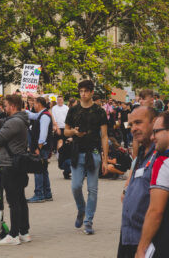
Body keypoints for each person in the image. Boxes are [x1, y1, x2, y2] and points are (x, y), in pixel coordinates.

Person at [0, 94, 31, 246]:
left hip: (11, 165)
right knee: (20, 199)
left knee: (13, 201)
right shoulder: (15, 120)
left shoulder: (15, 121)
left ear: (13, 106)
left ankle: (14, 235)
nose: (4, 108)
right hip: (15, 164)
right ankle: (24, 232)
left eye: (6, 105)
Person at [64, 79, 108, 235]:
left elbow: (104, 136)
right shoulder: (73, 110)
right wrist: (74, 133)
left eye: (86, 91)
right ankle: (81, 209)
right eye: (80, 91)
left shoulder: (99, 111)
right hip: (77, 153)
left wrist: (105, 159)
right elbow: (65, 132)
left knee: (92, 189)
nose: (83, 94)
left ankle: (88, 221)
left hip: (94, 153)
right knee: (75, 186)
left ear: (91, 92)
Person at [117, 105, 157, 257]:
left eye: (139, 122)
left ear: (154, 123)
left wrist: (142, 247)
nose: (133, 128)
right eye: (131, 124)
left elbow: (157, 209)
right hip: (129, 234)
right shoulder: (142, 151)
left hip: (146, 239)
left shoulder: (160, 154)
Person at [136, 111, 169, 258]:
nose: (152, 137)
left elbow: (155, 211)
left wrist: (141, 249)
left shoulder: (162, 162)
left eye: (156, 132)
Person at [27, 96, 53, 203]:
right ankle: (47, 193)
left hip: (42, 148)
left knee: (38, 170)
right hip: (43, 148)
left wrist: (38, 147)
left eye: (34, 103)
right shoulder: (42, 114)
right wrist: (23, 110)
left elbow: (43, 134)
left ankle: (39, 194)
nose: (33, 105)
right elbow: (32, 115)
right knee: (43, 170)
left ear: (39, 104)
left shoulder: (45, 116)